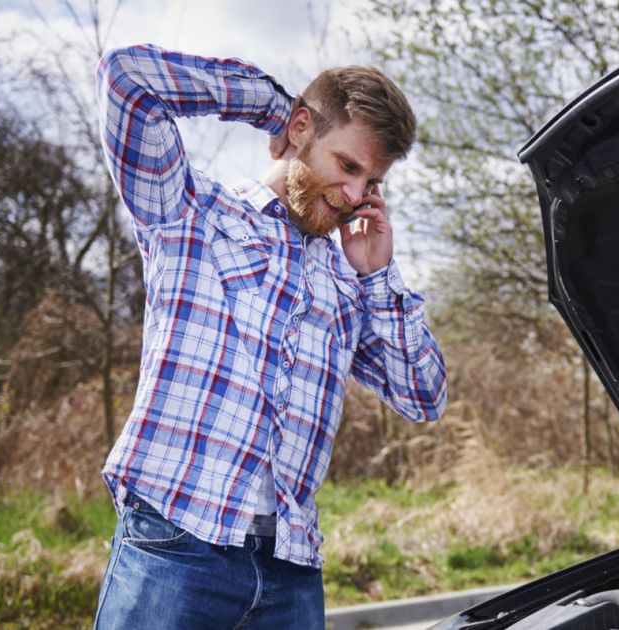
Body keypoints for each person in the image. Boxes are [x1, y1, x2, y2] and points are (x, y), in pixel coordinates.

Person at [92, 44, 447, 629]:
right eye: (349, 166)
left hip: (291, 570)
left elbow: (424, 395)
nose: (357, 196)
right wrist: (273, 107)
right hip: (177, 548)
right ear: (303, 130)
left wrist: (379, 276)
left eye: (373, 182)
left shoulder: (347, 278)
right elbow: (128, 79)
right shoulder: (192, 213)